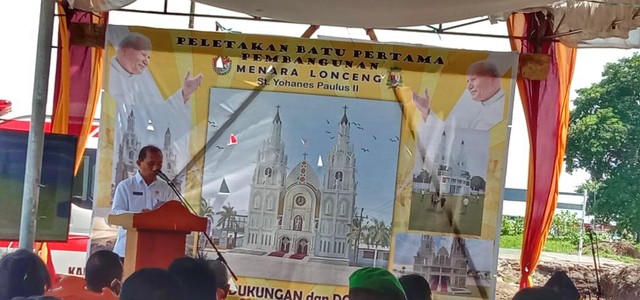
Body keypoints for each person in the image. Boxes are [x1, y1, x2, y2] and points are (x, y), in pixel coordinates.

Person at [107, 28, 203, 191]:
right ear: (124, 51)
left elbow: (160, 110)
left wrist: (185, 93)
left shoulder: (141, 81)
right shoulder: (109, 76)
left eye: (149, 57)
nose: (146, 61)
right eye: (143, 55)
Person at [412, 59, 510, 177]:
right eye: (467, 81)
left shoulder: (503, 109)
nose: (469, 86)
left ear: (493, 78)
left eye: (473, 79)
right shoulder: (481, 105)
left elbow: (462, 141)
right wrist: (426, 111)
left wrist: (428, 113)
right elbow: (452, 135)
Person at [111, 146, 177, 258]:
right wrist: (139, 217)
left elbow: (173, 216)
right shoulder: (125, 186)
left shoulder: (166, 189)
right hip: (126, 250)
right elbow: (115, 213)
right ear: (139, 163)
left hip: (156, 252)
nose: (156, 168)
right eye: (151, 164)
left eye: (159, 164)